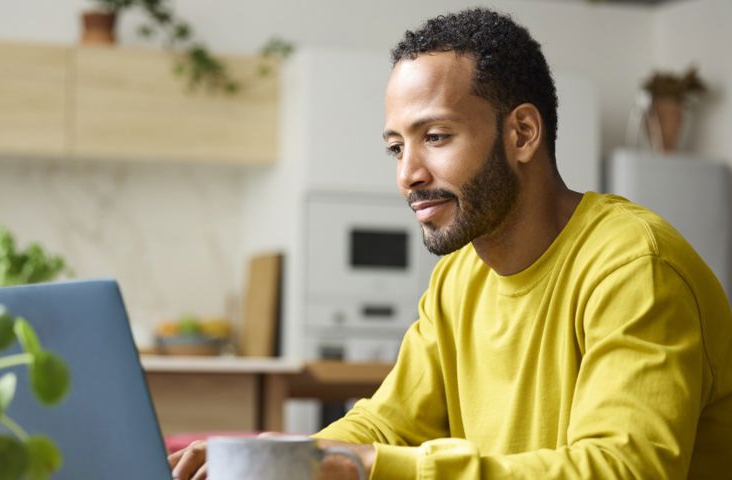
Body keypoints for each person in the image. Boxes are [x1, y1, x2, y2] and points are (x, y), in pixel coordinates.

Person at [168, 7, 732, 479]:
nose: (408, 174)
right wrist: (284, 458)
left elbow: (620, 469)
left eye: (435, 137)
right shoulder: (460, 277)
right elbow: (390, 421)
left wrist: (369, 466)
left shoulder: (635, 266)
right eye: (396, 147)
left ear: (522, 134)